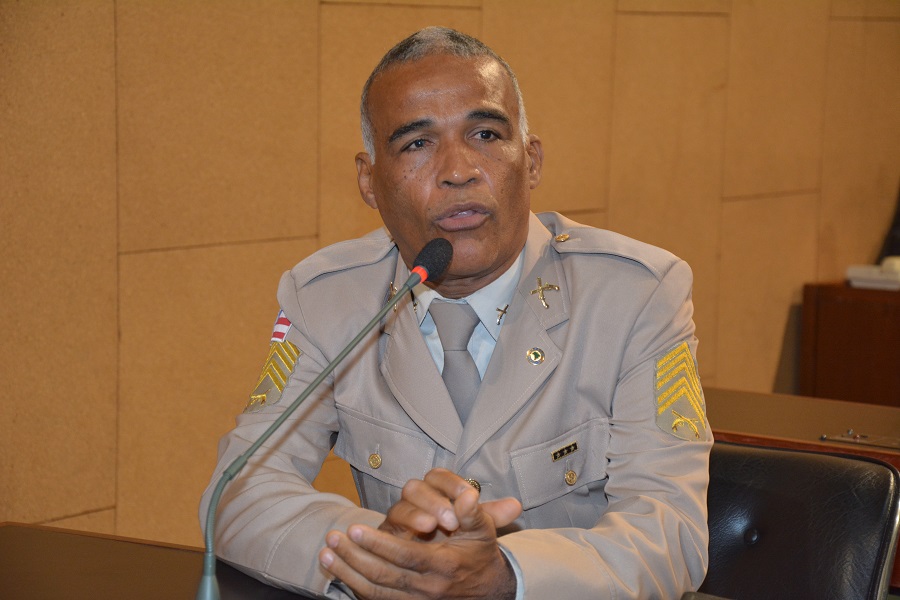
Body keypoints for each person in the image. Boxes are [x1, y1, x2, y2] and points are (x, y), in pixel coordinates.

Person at [200, 26, 711, 600]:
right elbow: (237, 491)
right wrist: (385, 555)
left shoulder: (635, 295)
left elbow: (671, 531)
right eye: (417, 144)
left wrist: (505, 577)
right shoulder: (328, 298)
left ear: (531, 160)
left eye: (486, 134)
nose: (458, 169)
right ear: (369, 180)